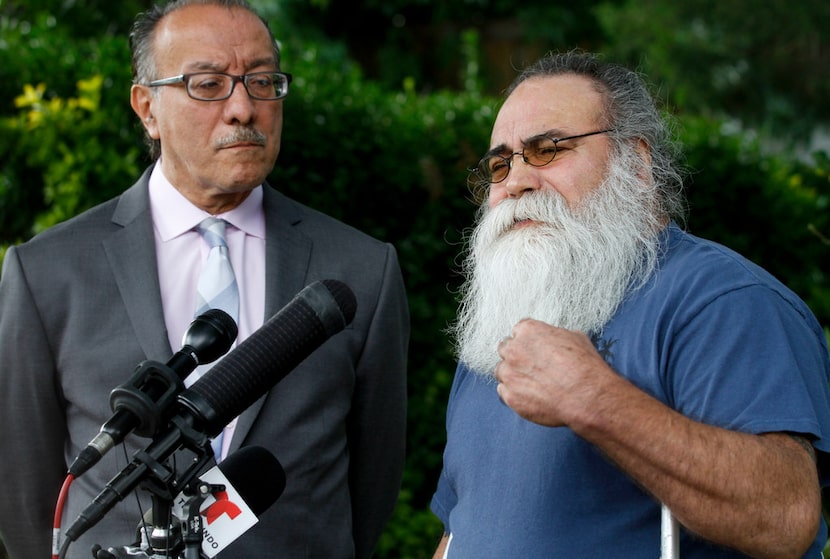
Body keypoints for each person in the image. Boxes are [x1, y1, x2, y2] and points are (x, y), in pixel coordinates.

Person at [0, 1, 409, 558]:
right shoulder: (48, 271)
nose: (243, 108)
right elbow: (26, 496)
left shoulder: (362, 269)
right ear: (147, 108)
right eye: (208, 84)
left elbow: (373, 480)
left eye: (262, 81)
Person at [430, 50, 830, 558]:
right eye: (499, 163)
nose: (515, 181)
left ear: (635, 162)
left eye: (548, 148)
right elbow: (461, 528)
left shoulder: (723, 301)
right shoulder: (497, 328)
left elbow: (784, 517)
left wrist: (595, 398)